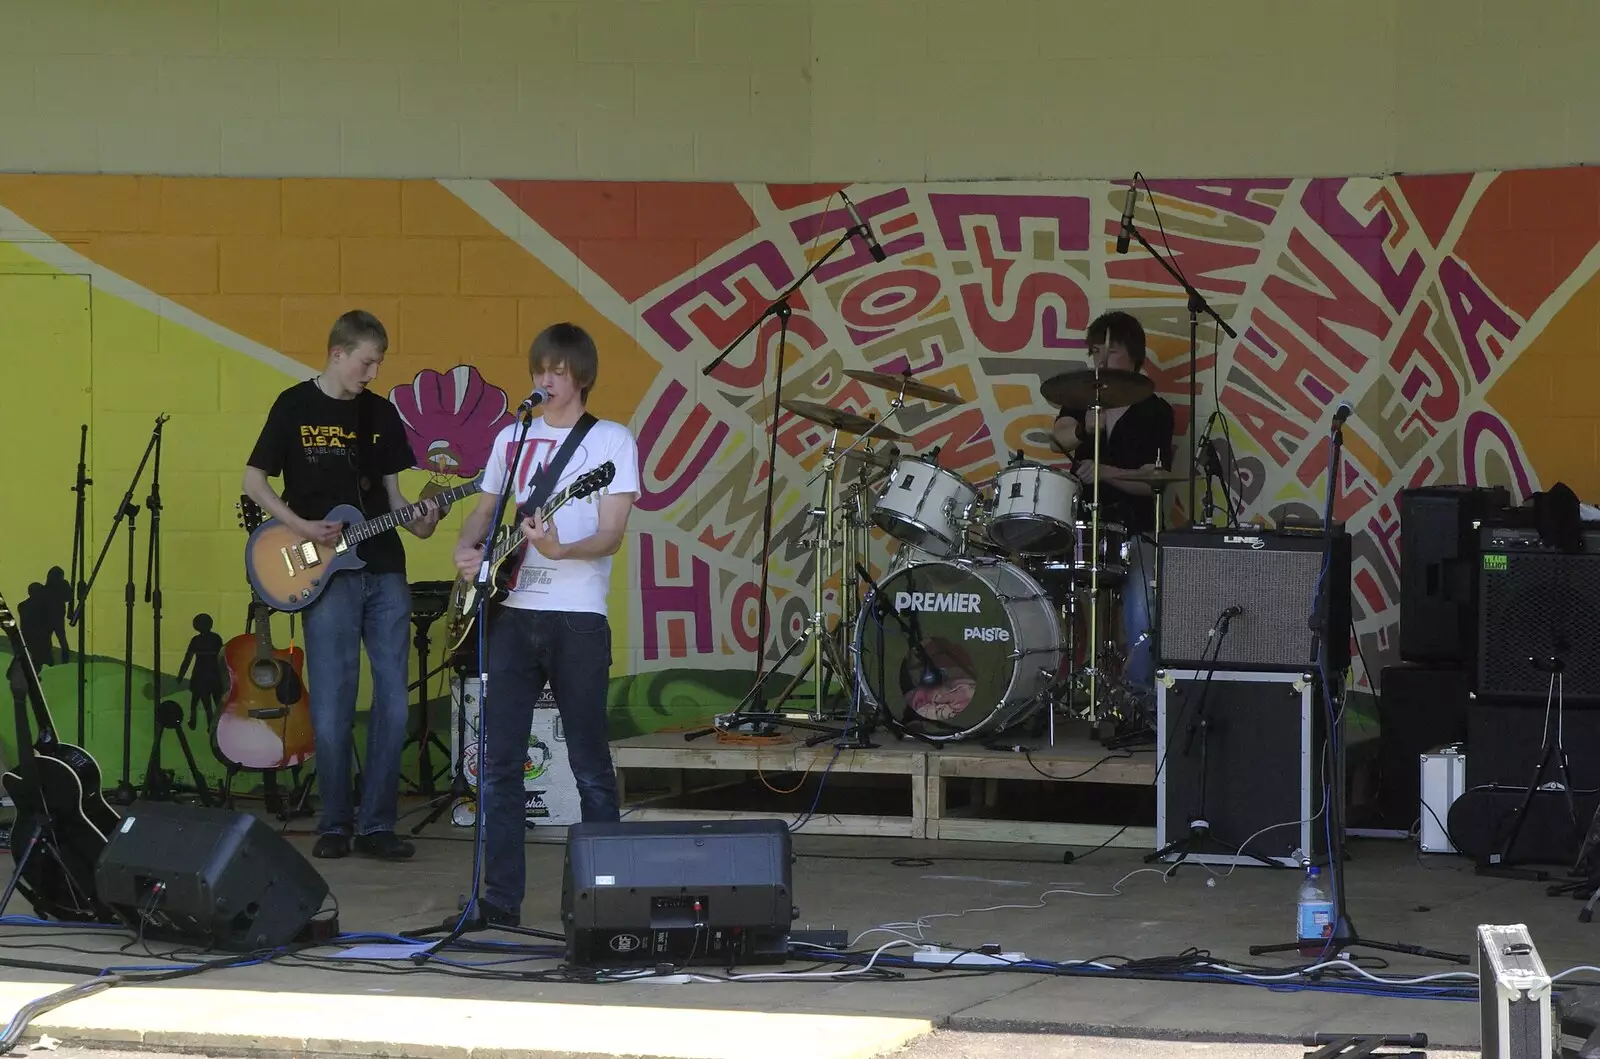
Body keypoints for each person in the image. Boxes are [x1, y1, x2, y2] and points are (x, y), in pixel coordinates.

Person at [452, 322, 639, 927]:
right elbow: (485, 511)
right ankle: (499, 900)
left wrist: (562, 550)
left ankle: (604, 898)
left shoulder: (611, 441)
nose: (545, 380)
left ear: (580, 375)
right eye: (540, 369)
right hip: (511, 615)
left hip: (577, 617)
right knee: (499, 762)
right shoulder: (514, 435)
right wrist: (466, 552)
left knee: (588, 762)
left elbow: (611, 532)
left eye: (558, 370)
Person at [242, 310, 441, 860]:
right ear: (337, 353)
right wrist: (302, 526)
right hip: (322, 571)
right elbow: (253, 480)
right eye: (366, 361)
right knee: (331, 704)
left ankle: (377, 824)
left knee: (394, 702)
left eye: (377, 362)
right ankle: (335, 822)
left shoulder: (380, 413)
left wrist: (424, 518)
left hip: (384, 567)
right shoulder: (294, 406)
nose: (372, 373)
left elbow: (398, 501)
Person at [1051, 310, 1174, 700]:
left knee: (1142, 605)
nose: (1101, 360)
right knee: (1047, 586)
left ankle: (1140, 698)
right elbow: (1059, 437)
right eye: (1095, 351)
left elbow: (1152, 481)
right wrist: (1087, 426)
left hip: (1136, 529)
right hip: (1085, 526)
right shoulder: (1081, 401)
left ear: (1136, 358)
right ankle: (1063, 688)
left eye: (1112, 351)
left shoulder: (1157, 410)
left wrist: (1104, 472)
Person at [176, 612, 224, 731]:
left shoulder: (196, 640)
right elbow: (222, 657)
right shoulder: (216, 638)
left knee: (200, 700)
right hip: (213, 674)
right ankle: (211, 724)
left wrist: (181, 675)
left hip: (201, 674)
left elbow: (187, 659)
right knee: (212, 701)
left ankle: (199, 721)